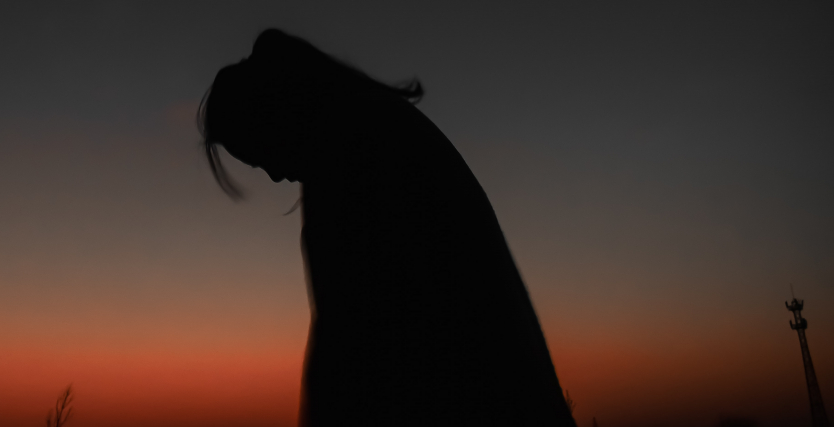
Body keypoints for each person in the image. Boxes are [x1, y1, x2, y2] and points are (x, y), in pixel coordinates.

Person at [199, 29, 577, 427]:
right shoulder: (377, 127)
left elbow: (347, 346)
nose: (275, 175)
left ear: (274, 114)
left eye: (261, 154)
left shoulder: (351, 160)